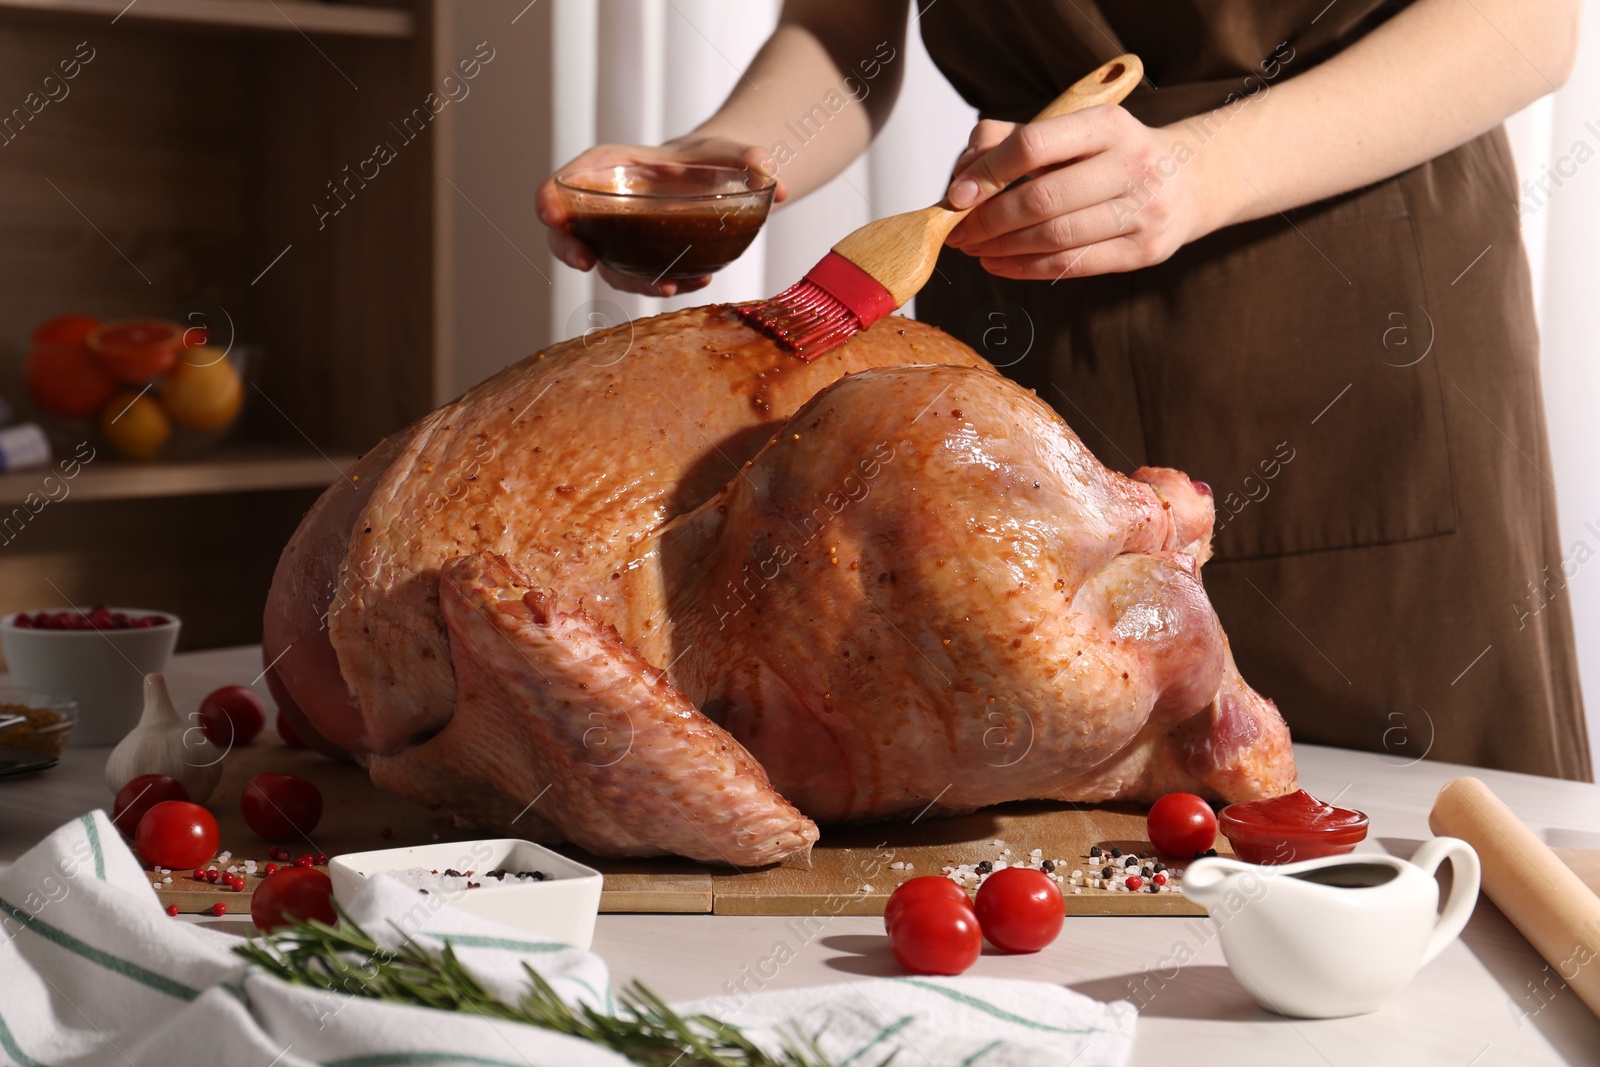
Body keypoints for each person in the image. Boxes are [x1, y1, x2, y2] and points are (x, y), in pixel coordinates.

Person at [537, 0, 1592, 780]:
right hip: (1020, 334)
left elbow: (1526, 22)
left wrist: (1193, 173)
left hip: (1358, 339)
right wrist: (735, 157)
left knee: (1419, 900)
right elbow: (839, 27)